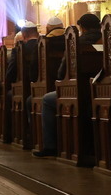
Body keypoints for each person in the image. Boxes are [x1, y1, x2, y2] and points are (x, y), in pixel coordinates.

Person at [36, 13, 102, 157]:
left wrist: (60, 83)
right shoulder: (107, 39)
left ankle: (51, 146)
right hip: (102, 89)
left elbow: (62, 73)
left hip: (78, 90)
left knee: (47, 99)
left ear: (82, 28)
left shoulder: (75, 42)